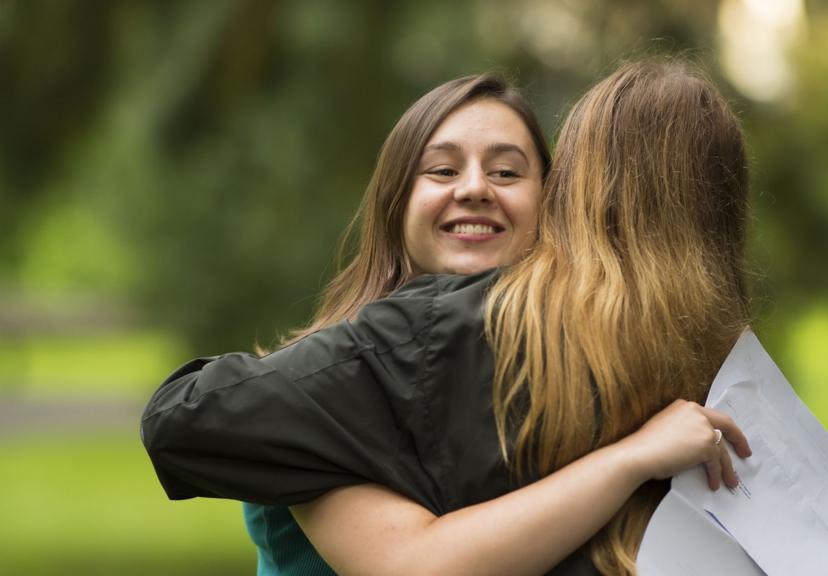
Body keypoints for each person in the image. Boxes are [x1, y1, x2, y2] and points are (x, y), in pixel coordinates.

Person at [143, 58, 752, 575]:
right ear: (395, 201)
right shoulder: (349, 383)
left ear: (554, 204)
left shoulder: (574, 370)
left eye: (508, 171)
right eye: (442, 169)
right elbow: (414, 562)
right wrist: (630, 459)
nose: (475, 188)